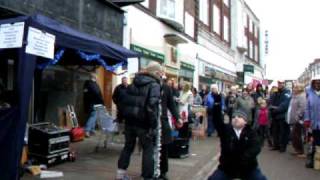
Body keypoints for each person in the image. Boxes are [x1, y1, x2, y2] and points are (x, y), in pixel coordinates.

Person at [116, 61, 162, 180]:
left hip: (130, 122)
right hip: (144, 123)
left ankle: (120, 173)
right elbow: (152, 107)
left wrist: (122, 118)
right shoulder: (154, 85)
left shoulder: (133, 83)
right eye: (160, 72)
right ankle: (146, 177)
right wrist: (153, 125)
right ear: (155, 72)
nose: (162, 75)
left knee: (128, 147)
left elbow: (124, 102)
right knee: (148, 149)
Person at [208, 110, 267, 180]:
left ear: (245, 121)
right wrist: (217, 104)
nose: (236, 118)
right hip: (227, 169)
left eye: (239, 117)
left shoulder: (251, 132)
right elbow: (216, 120)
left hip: (248, 169)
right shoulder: (226, 130)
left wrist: (244, 158)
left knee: (260, 178)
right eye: (233, 117)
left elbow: (256, 147)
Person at [159, 78, 181, 180]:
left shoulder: (166, 88)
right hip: (150, 122)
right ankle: (150, 171)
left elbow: (171, 104)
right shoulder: (148, 86)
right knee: (150, 149)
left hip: (162, 122)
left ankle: (163, 171)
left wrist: (178, 118)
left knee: (164, 147)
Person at [269, 80, 291, 152]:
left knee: (283, 132)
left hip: (282, 116)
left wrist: (275, 109)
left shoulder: (287, 92)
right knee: (275, 132)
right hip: (275, 116)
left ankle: (282, 147)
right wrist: (272, 108)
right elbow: (271, 102)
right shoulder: (275, 92)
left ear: (284, 84)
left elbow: (285, 104)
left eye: (281, 83)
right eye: (279, 83)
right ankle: (276, 145)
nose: (280, 84)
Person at [304, 75, 320, 168]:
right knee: (313, 141)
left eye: (319, 82)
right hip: (313, 123)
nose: (317, 84)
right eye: (316, 82)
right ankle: (312, 160)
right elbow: (307, 108)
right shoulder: (310, 93)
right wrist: (307, 119)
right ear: (313, 83)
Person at [287, 83, 307, 157]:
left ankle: (301, 151)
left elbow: (303, 108)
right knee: (295, 135)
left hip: (298, 120)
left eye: (295, 87)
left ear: (299, 88)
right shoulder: (295, 96)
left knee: (296, 135)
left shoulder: (302, 96)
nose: (294, 89)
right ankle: (297, 150)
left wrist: (297, 116)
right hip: (294, 119)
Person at [83, 73, 104, 137]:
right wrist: (102, 102)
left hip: (91, 102)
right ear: (94, 77)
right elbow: (97, 94)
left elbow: (86, 93)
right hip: (94, 102)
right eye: (96, 76)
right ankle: (87, 130)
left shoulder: (88, 84)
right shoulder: (92, 84)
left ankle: (92, 130)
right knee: (93, 116)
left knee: (93, 116)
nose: (97, 77)